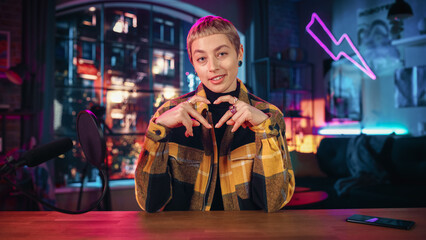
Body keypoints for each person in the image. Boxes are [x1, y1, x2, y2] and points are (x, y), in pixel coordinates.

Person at [135, 15, 295, 213]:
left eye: (221, 54)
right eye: (202, 58)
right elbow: (150, 203)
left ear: (239, 53)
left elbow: (274, 202)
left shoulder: (269, 116)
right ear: (193, 64)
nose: (213, 67)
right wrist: (157, 131)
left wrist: (264, 130)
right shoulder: (167, 115)